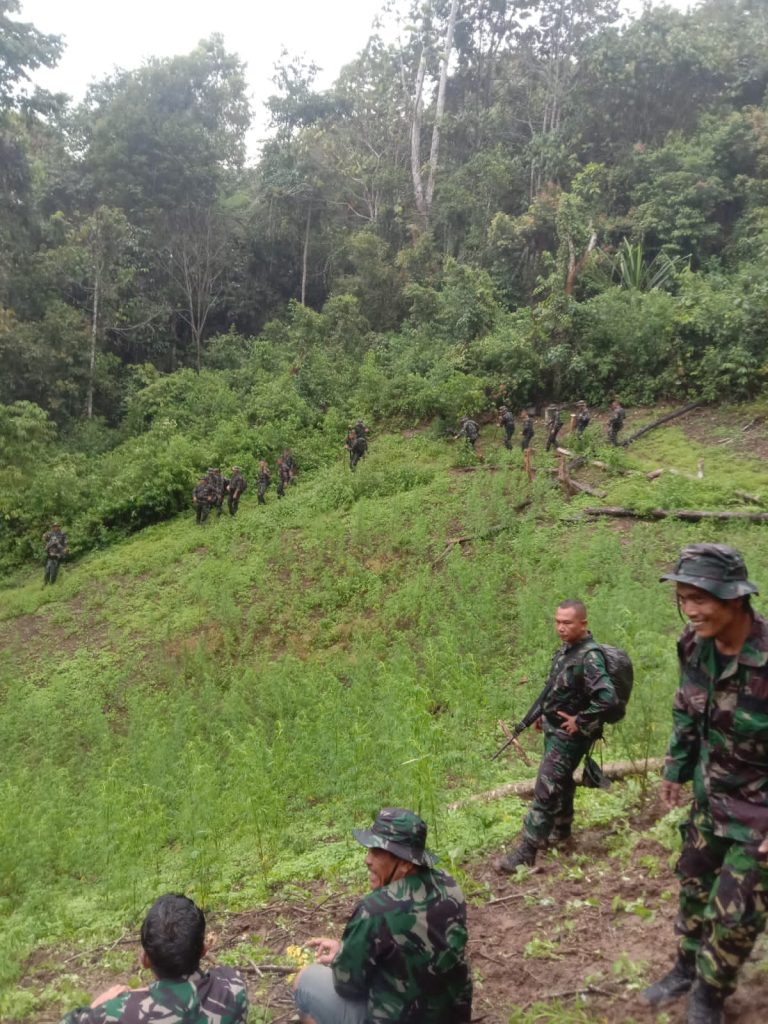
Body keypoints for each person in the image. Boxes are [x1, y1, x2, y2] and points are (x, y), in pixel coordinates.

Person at [642, 544, 768, 1024]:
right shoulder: (694, 643)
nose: (691, 609)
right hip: (710, 797)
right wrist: (676, 768)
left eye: (702, 598)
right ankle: (686, 967)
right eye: (683, 597)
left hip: (759, 813)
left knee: (735, 913)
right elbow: (686, 706)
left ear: (735, 599)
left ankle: (709, 997)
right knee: (694, 886)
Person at [293, 808, 472, 1024]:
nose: (367, 860)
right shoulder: (448, 885)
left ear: (406, 863)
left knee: (305, 981)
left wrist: (344, 959)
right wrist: (348, 950)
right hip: (449, 1015)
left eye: (377, 852)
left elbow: (347, 986)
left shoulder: (376, 909)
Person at [496, 600, 618, 873]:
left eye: (567, 623)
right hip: (554, 729)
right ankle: (561, 833)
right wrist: (543, 714)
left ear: (583, 624)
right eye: (558, 622)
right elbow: (556, 689)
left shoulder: (589, 657)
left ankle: (526, 852)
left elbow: (607, 697)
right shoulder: (566, 651)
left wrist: (581, 720)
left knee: (546, 786)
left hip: (570, 735)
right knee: (560, 781)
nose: (561, 628)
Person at [59, 893, 248, 1024]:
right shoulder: (233, 987)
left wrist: (97, 1006)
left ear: (145, 960)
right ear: (204, 950)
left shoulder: (117, 1014)